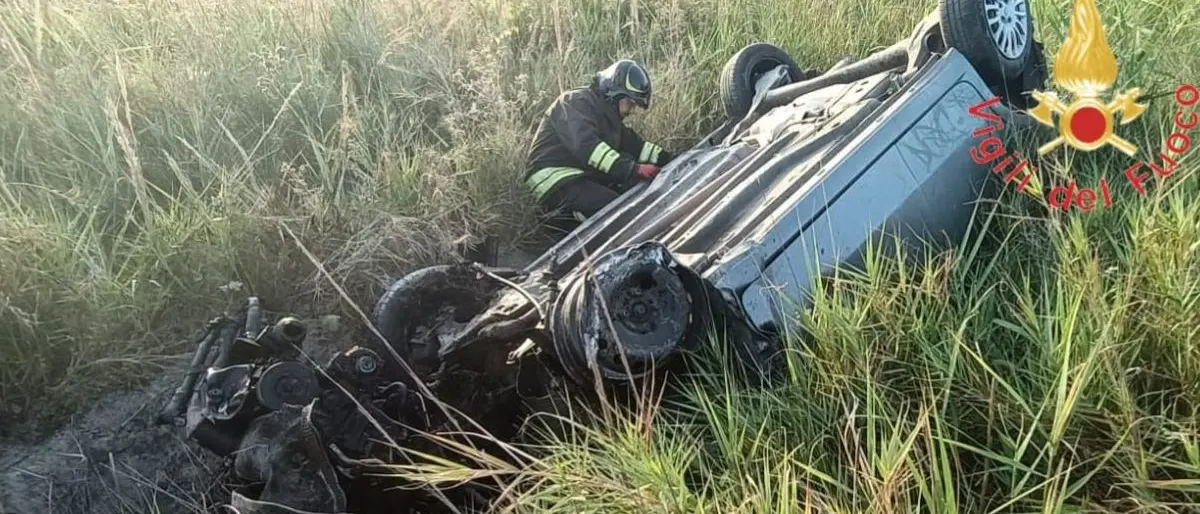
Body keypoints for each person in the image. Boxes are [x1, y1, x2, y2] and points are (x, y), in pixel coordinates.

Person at [523, 59, 674, 233]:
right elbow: (588, 148)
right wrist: (633, 169)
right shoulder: (575, 102)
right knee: (610, 206)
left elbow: (637, 147)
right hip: (552, 181)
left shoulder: (608, 118)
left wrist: (670, 158)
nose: (632, 111)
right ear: (616, 93)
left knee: (629, 183)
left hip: (578, 177)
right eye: (631, 103)